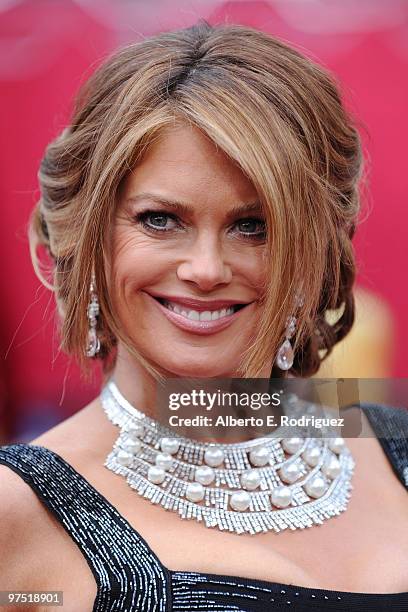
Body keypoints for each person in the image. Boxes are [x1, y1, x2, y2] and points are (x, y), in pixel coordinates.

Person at [0, 21, 407, 612]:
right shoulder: (18, 515)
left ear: (317, 248)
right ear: (89, 236)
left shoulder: (395, 449)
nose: (207, 268)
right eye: (160, 220)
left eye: (254, 227)